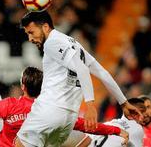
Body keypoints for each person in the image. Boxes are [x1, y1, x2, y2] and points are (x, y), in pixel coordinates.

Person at [15, 11, 142, 146]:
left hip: (48, 111)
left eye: (31, 32)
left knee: (19, 143)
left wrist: (90, 105)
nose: (30, 38)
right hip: (68, 120)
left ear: (45, 27)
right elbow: (102, 73)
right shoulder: (74, 44)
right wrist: (123, 102)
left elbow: (82, 69)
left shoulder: (51, 42)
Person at [0, 67, 129, 147]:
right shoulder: (53, 111)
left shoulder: (8, 106)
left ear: (22, 86)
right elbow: (86, 125)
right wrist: (115, 129)